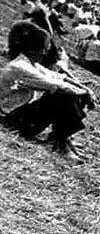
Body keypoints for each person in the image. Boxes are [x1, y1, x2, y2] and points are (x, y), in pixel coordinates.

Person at [0, 21, 94, 162]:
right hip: (10, 120)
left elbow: (59, 77)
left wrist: (86, 90)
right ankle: (59, 142)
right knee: (62, 96)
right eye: (44, 49)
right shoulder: (19, 67)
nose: (45, 53)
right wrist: (85, 94)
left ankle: (63, 138)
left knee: (67, 93)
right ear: (33, 50)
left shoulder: (31, 64)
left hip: (18, 114)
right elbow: (58, 85)